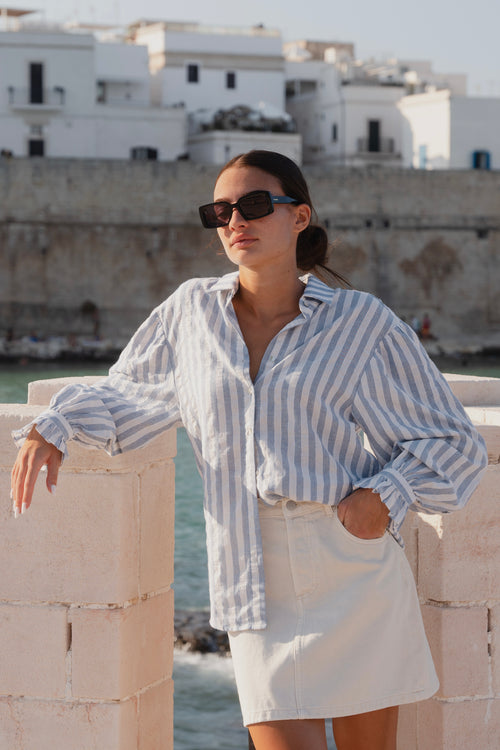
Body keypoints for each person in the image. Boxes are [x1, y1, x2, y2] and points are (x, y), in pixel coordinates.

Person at [11, 150, 487, 750]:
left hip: (351, 563)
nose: (236, 220)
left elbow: (450, 439)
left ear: (299, 217)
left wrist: (385, 495)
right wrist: (54, 424)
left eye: (255, 204)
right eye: (221, 211)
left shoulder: (361, 323)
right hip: (249, 574)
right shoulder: (190, 313)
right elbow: (134, 392)